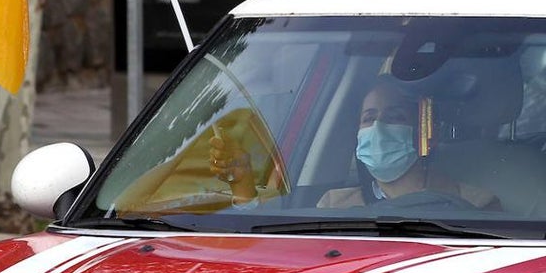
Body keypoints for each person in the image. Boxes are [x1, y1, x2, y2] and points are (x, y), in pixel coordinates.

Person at [210, 77, 500, 210]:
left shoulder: (476, 204)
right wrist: (243, 188)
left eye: (394, 117)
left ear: (427, 133)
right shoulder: (334, 206)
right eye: (369, 118)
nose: (378, 128)